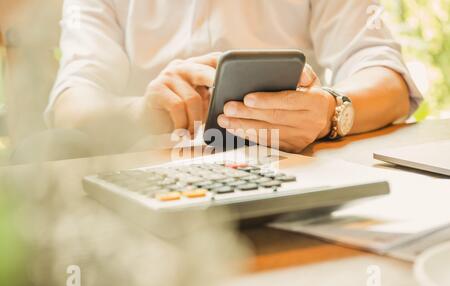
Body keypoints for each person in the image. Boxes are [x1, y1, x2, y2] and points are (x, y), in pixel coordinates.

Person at [47, 0, 422, 154]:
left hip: (287, 164)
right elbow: (73, 99)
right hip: (149, 174)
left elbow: (387, 76)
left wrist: (329, 112)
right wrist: (141, 113)